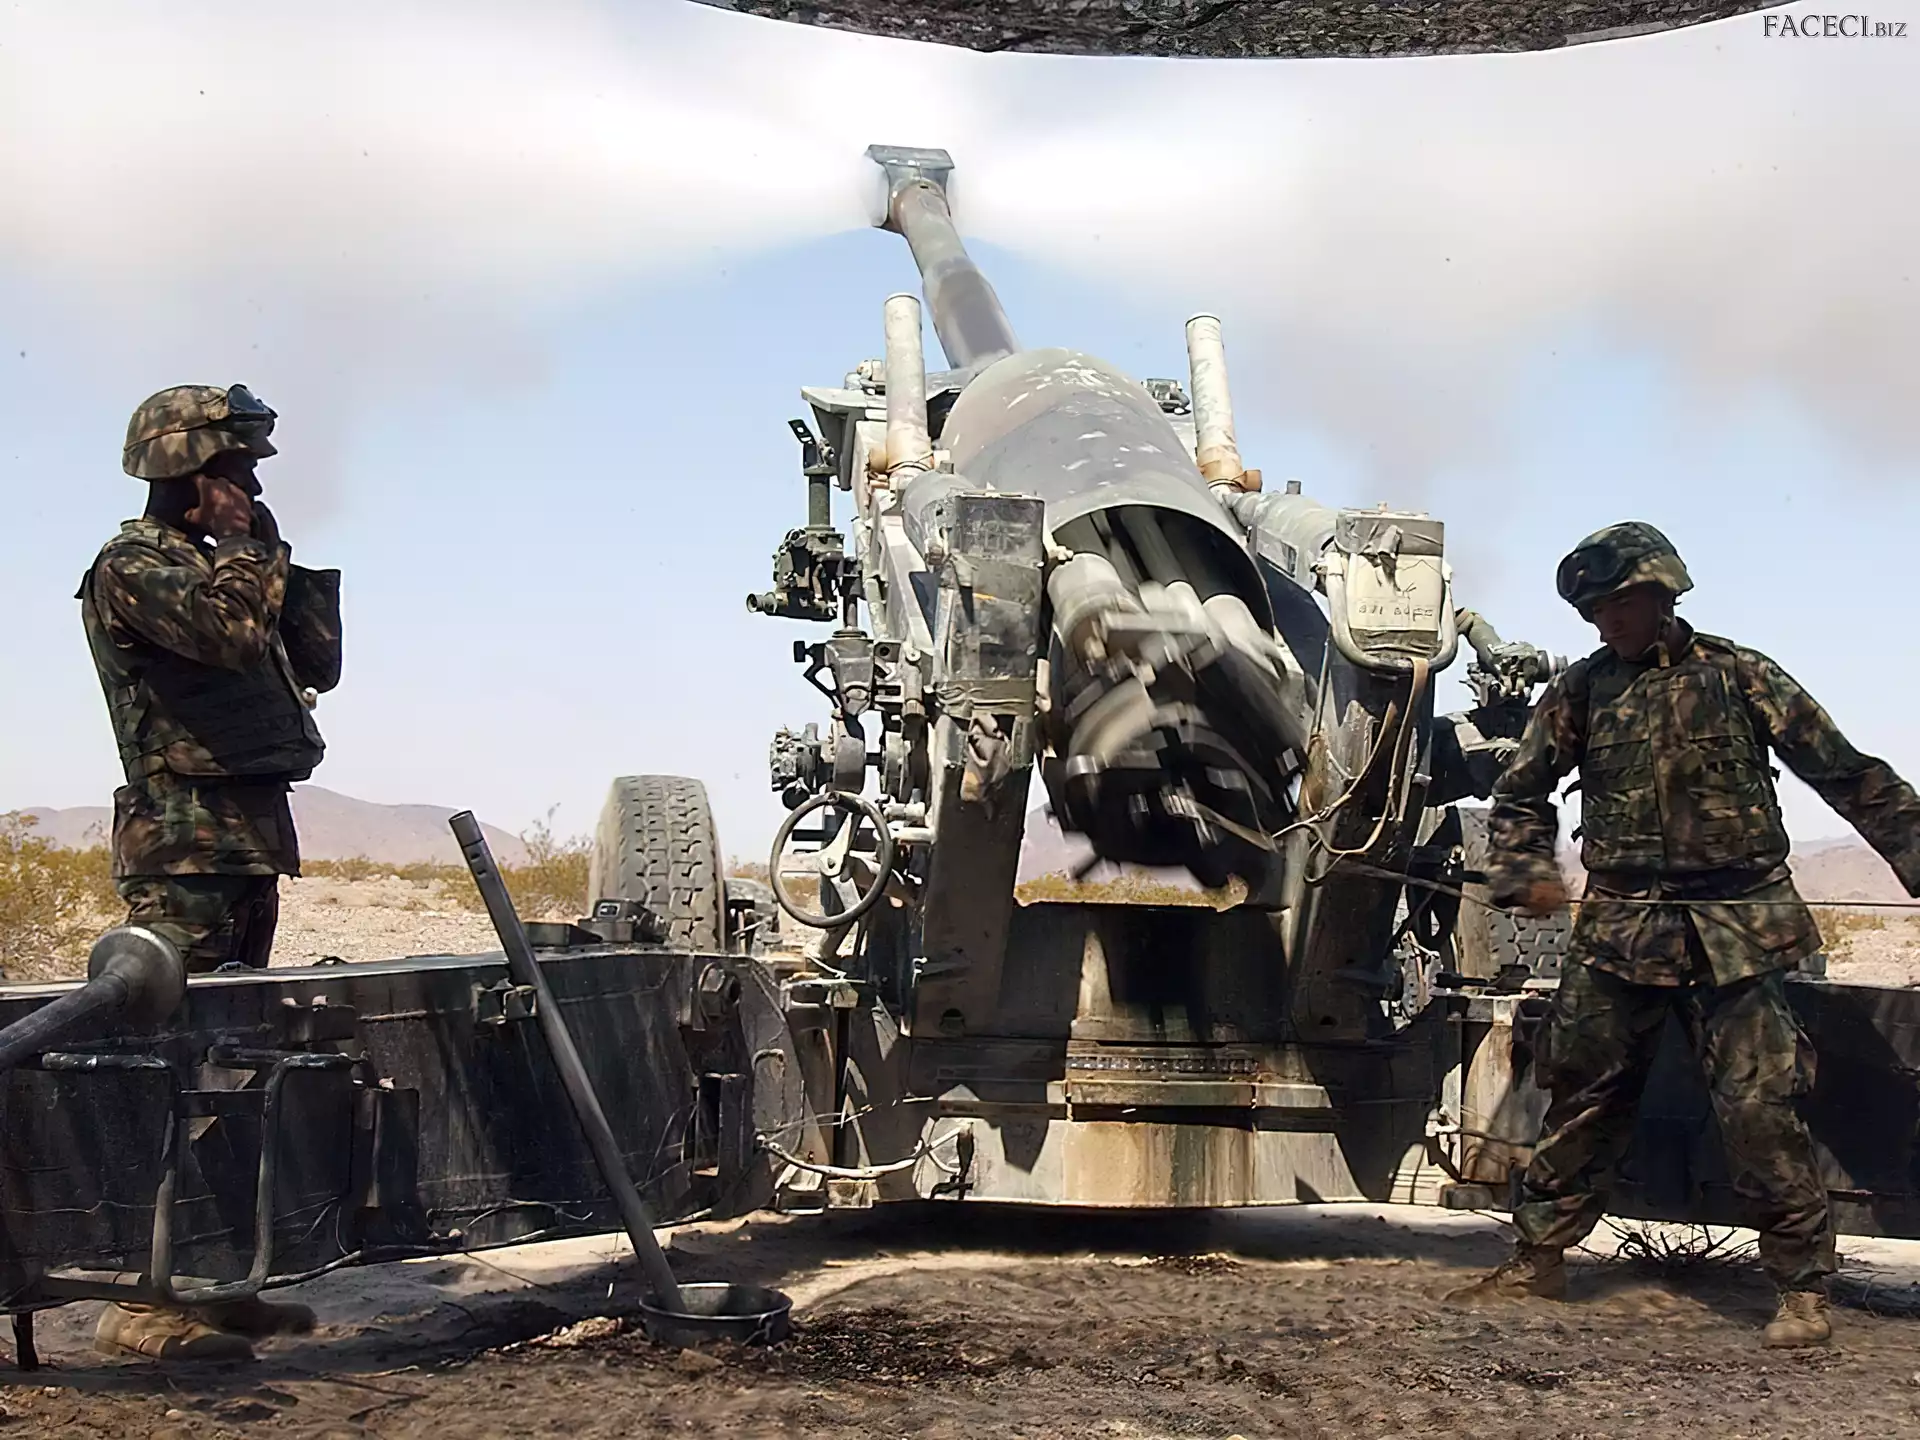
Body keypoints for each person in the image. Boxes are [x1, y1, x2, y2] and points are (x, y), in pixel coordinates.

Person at [1450, 521, 1920, 1349]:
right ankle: (1538, 1257)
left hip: (1737, 923)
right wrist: (1525, 867)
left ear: (1662, 594)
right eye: (1593, 612)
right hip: (1621, 926)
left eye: (1618, 604)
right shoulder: (1583, 691)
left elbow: (1846, 773)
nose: (1606, 622)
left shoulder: (1740, 677)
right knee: (1583, 1094)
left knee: (1759, 1105)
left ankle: (1802, 1290)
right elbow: (1521, 790)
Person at [78, 383, 342, 1361]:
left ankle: (217, 1284)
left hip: (245, 845)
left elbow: (317, 663)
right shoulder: (133, 568)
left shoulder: (227, 564)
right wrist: (243, 552)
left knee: (226, 1073)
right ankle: (140, 1303)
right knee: (164, 1077)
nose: (251, 488)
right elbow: (229, 640)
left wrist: (272, 556)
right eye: (234, 471)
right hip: (180, 853)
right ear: (182, 472)